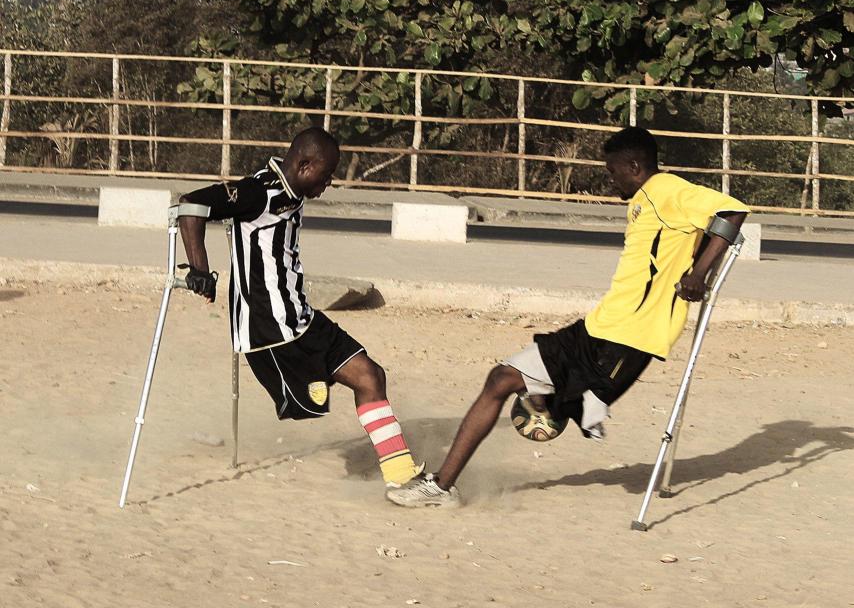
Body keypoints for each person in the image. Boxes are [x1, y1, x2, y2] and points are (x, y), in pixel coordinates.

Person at [386, 126, 749, 508]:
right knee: (500, 378)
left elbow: (732, 210)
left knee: (535, 390)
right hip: (598, 326)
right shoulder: (643, 199)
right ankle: (444, 485)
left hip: (628, 338)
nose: (611, 181)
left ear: (635, 165)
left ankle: (564, 406)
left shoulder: (668, 191)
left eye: (613, 172)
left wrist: (698, 274)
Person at [177, 126, 422, 488]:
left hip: (301, 318)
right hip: (271, 327)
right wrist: (199, 270)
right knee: (317, 398)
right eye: (326, 175)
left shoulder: (293, 191)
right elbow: (191, 206)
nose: (329, 184)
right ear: (305, 164)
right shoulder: (259, 192)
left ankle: (404, 483)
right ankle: (312, 382)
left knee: (372, 376)